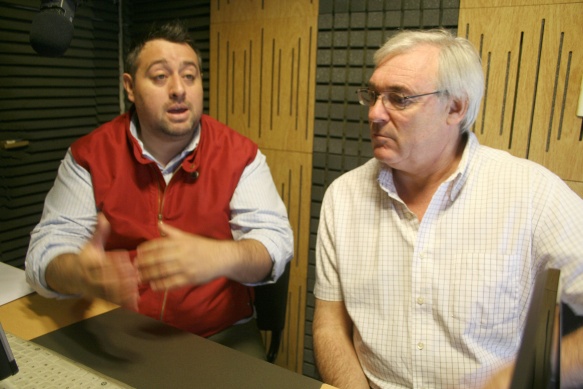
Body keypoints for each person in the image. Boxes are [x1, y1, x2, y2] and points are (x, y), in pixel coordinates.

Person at [312, 28, 583, 388]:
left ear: (455, 107)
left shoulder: (531, 194)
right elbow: (330, 323)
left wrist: (537, 370)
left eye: (399, 98)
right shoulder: (342, 197)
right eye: (375, 95)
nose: (375, 113)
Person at [25, 20, 293, 358]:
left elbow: (277, 244)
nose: (179, 89)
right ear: (130, 87)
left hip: (220, 336)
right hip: (115, 329)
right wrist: (79, 275)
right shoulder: (90, 155)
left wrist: (222, 256)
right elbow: (45, 252)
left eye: (189, 76)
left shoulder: (240, 155)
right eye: (161, 76)